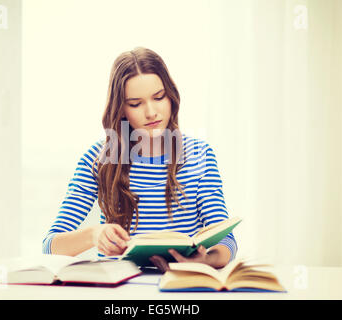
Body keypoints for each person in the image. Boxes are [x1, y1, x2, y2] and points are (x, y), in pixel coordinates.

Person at [42, 47, 237, 272]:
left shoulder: (200, 155)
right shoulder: (97, 160)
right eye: (135, 104)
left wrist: (206, 261)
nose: (151, 112)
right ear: (121, 109)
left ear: (171, 96)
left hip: (181, 284)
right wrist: (94, 235)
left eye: (159, 97)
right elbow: (51, 246)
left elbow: (226, 241)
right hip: (119, 288)